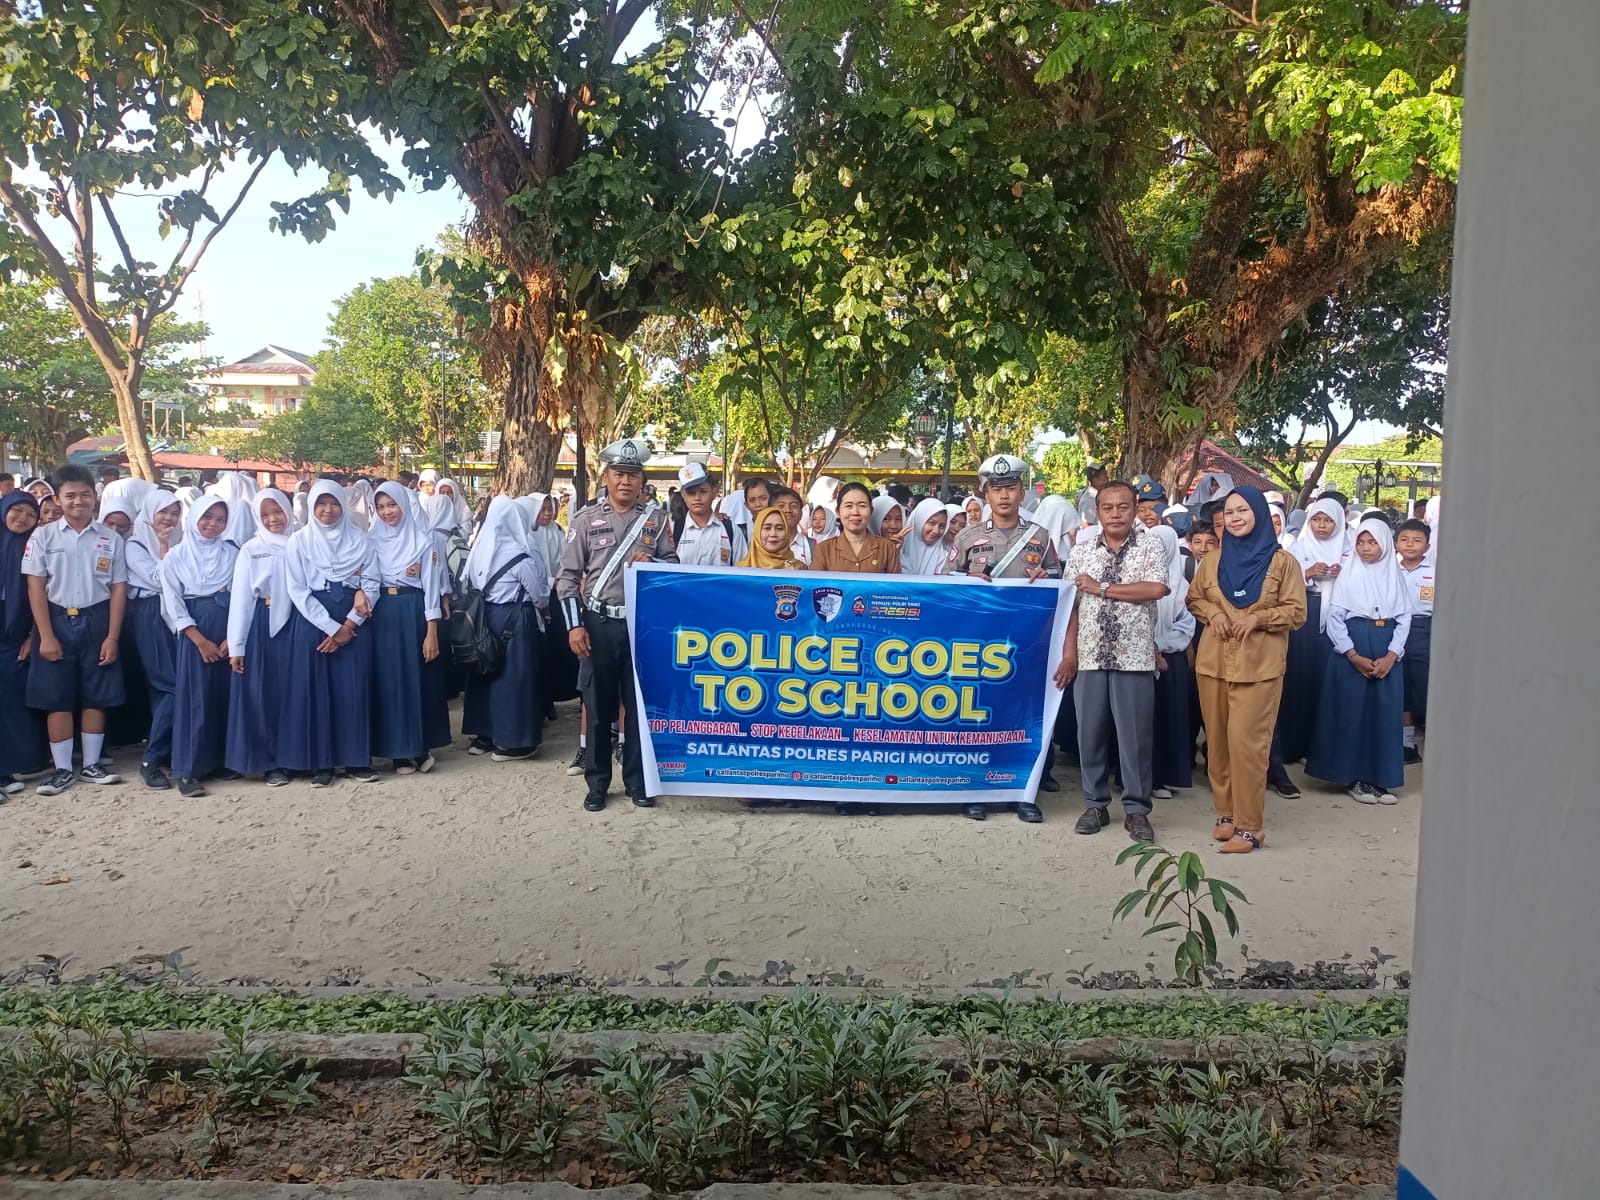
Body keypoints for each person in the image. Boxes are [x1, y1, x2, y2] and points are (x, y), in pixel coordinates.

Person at [557, 437, 678, 812]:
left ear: (642, 480)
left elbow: (673, 567)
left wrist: (652, 562)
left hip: (640, 626)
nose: (626, 481)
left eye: (633, 475)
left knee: (639, 706)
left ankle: (638, 783)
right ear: (606, 477)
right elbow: (566, 578)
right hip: (597, 624)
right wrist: (575, 627)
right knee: (597, 706)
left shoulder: (656, 521)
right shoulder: (585, 520)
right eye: (619, 474)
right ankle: (596, 784)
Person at [1184, 487, 1308, 853]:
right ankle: (1226, 815)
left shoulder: (1283, 563)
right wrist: (1215, 613)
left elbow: (1297, 612)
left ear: (1257, 513)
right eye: (1230, 512)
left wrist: (1259, 618)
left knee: (1248, 747)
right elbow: (1195, 598)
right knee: (1218, 743)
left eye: (1243, 511)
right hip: (1213, 665)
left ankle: (1250, 827)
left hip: (1259, 668)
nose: (1236, 517)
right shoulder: (1213, 560)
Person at [944, 454, 1063, 823]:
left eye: (1011, 487)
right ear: (986, 494)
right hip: (979, 646)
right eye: (997, 489)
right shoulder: (967, 537)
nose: (1005, 496)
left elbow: (1061, 583)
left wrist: (1048, 578)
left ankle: (1025, 793)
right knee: (978, 716)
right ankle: (975, 790)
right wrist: (966, 580)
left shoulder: (1040, 538)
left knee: (1025, 720)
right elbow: (943, 581)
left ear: (1022, 491)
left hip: (1027, 646)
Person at [1054, 479, 1170, 842]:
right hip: (1089, 655)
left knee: (1135, 738)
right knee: (1089, 734)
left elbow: (1156, 589)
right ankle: (1095, 804)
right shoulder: (1082, 551)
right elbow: (1071, 607)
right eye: (1108, 507)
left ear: (1135, 507)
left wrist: (1102, 588)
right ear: (1098, 511)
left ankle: (1136, 811)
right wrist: (1069, 653)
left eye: (1123, 506)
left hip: (1133, 656)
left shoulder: (1151, 544)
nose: (1116, 513)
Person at [21, 464, 127, 795]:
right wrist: (46, 635)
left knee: (96, 694)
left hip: (97, 620)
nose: (78, 501)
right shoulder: (43, 536)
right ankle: (64, 769)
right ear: (57, 498)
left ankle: (92, 765)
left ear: (95, 497)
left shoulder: (110, 538)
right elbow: (35, 587)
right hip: (56, 620)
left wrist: (112, 636)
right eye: (70, 495)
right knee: (58, 698)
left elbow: (118, 588)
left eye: (84, 494)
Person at [1305, 516, 1411, 804]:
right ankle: (1353, 777)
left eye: (1372, 542)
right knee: (1353, 713)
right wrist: (1353, 654)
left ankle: (1380, 778)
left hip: (1386, 648)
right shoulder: (1349, 575)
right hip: (1353, 649)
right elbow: (1336, 618)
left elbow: (1404, 618)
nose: (1365, 548)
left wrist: (1392, 655)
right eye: (1361, 542)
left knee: (1384, 716)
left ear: (1386, 545)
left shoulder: (1395, 576)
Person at [281, 480, 380, 788]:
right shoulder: (298, 542)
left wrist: (348, 626)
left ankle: (356, 760)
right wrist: (332, 628)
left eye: (334, 503)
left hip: (354, 620)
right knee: (317, 691)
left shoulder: (362, 541)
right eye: (321, 504)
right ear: (311, 507)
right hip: (314, 620)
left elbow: (372, 584)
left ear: (344, 505)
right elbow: (297, 590)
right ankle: (322, 763)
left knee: (353, 690)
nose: (328, 510)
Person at [160, 497, 240, 797]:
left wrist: (234, 636)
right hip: (196, 632)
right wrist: (200, 640)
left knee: (225, 696)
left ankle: (221, 761)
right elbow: (173, 604)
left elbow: (242, 594)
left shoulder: (233, 553)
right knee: (196, 699)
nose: (213, 524)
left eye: (220, 519)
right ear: (194, 518)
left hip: (227, 628)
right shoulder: (176, 557)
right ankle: (189, 769)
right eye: (207, 517)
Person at [369, 482, 451, 773]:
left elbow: (430, 589)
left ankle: (420, 745)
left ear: (404, 504)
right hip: (383, 616)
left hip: (414, 612)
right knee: (389, 682)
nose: (387, 512)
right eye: (380, 507)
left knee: (419, 679)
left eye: (392, 505)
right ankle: (398, 752)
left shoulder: (422, 541)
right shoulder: (370, 541)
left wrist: (431, 632)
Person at [462, 496, 550, 762]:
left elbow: (467, 582)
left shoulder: (479, 549)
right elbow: (540, 597)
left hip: (483, 619)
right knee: (515, 679)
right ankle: (513, 742)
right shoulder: (519, 554)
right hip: (516, 620)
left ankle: (483, 735)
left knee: (484, 673)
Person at [225, 489, 296, 785]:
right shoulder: (251, 549)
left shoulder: (301, 542)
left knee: (294, 691)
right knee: (263, 692)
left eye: (278, 511)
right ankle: (270, 762)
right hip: (262, 624)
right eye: (265, 514)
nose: (273, 519)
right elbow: (241, 598)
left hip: (297, 622)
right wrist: (237, 644)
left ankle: (296, 755)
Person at [1280, 497, 1353, 762]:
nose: (1322, 526)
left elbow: (1362, 580)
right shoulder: (1298, 549)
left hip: (1338, 615)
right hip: (1306, 617)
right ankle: (1293, 745)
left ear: (1339, 521)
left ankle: (1320, 747)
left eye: (1328, 520)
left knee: (1328, 681)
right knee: (1300, 679)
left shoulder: (1351, 549)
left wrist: (1341, 574)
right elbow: (1285, 583)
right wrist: (1308, 572)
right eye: (1317, 520)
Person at [123, 491, 183, 789]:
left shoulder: (182, 540)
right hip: (151, 614)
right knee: (171, 685)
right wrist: (163, 546)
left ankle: (169, 753)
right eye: (163, 512)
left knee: (164, 689)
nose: (169, 518)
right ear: (148, 514)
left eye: (174, 512)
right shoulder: (134, 545)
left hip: (178, 613)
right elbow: (162, 579)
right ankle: (152, 757)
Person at [0, 492, 49, 793]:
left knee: (10, 699)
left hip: (15, 630)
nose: (22, 519)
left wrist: (33, 636)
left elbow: (39, 594)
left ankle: (9, 767)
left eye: (30, 515)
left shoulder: (32, 547)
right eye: (16, 511)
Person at [1148, 524, 1196, 800]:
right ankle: (1136, 777)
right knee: (1142, 722)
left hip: (1170, 661)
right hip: (1139, 657)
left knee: (1168, 718)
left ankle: (1163, 777)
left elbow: (1186, 626)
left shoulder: (1181, 584)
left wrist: (1161, 645)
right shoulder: (1138, 577)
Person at [1395, 518, 1435, 764]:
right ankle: (1406, 744)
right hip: (1395, 629)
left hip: (1423, 630)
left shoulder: (1435, 572)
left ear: (1427, 547)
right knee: (1402, 688)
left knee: (1423, 686)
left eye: (1417, 541)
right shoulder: (1389, 569)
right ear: (1396, 543)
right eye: (1404, 540)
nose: (1410, 545)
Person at [812, 482, 902, 574]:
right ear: (838, 511)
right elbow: (815, 586)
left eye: (862, 506)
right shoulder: (823, 549)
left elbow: (895, 587)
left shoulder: (887, 548)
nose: (855, 512)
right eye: (848, 506)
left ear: (871, 511)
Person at [673, 463, 743, 567]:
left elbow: (742, 570)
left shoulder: (730, 529)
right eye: (691, 493)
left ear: (714, 492)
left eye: (703, 491)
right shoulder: (673, 528)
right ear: (683, 495)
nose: (697, 497)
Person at [739, 506, 809, 570]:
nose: (773, 534)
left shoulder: (799, 568)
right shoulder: (740, 570)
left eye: (779, 528)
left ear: (787, 533)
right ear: (757, 532)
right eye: (767, 528)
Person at [899, 497, 948, 574]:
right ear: (918, 521)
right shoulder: (897, 550)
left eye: (942, 526)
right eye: (931, 523)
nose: (936, 531)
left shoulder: (944, 558)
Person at [1076, 461, 1109, 527]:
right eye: (1104, 475)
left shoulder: (1099, 495)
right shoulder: (1089, 499)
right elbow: (1086, 525)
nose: (1107, 477)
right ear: (1095, 479)